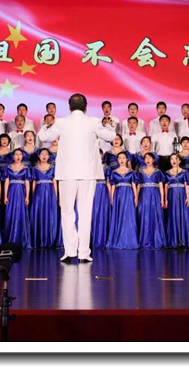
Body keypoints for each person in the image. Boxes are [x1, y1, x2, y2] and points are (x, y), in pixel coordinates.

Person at [38, 93, 116, 263]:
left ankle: (70, 251)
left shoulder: (61, 122)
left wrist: (45, 126)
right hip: (87, 173)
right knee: (85, 212)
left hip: (67, 173)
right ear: (85, 107)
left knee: (67, 212)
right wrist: (109, 127)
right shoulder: (93, 121)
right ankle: (84, 253)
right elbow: (110, 137)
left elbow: (43, 137)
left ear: (69, 107)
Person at [106, 152, 138, 249]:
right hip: (118, 196)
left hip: (128, 195)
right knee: (118, 215)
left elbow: (134, 185)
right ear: (117, 160)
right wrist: (111, 197)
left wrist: (136, 197)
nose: (122, 160)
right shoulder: (114, 172)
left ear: (127, 159)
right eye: (120, 158)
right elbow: (113, 186)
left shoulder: (131, 172)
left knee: (129, 216)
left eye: (124, 158)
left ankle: (130, 240)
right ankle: (118, 239)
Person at [29, 148, 60, 249]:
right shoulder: (35, 168)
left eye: (46, 154)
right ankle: (39, 239)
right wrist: (33, 195)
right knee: (39, 213)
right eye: (42, 154)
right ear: (39, 156)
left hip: (50, 192)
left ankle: (50, 239)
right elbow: (34, 182)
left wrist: (56, 196)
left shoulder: (53, 168)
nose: (44, 156)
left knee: (50, 214)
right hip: (38, 193)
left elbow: (54, 182)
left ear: (49, 156)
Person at [135, 152, 167, 249]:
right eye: (146, 158)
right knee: (144, 215)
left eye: (150, 158)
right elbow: (138, 185)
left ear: (153, 160)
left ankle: (157, 239)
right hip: (144, 195)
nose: (148, 160)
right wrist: (136, 198)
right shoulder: (140, 171)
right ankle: (145, 240)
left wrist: (162, 199)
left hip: (155, 195)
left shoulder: (158, 171)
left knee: (155, 215)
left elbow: (161, 185)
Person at [3, 149, 31, 248]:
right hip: (11, 192)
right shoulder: (8, 168)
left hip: (21, 192)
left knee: (21, 213)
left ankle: (21, 239)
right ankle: (10, 239)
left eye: (20, 154)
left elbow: (27, 182)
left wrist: (27, 196)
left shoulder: (26, 168)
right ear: (13, 156)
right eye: (16, 154)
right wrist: (5, 196)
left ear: (22, 156)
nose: (18, 156)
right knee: (10, 213)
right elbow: (6, 182)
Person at [164, 153, 189, 247]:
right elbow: (166, 186)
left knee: (183, 215)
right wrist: (165, 199)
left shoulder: (184, 172)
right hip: (171, 195)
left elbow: (187, 185)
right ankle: (173, 240)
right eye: (171, 159)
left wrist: (188, 197)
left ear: (179, 161)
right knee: (172, 215)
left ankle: (184, 240)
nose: (174, 161)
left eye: (176, 158)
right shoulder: (167, 172)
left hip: (182, 194)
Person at [91, 159, 111, 249]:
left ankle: (102, 238)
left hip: (103, 190)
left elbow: (108, 182)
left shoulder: (107, 168)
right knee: (93, 213)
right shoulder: (90, 166)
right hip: (93, 190)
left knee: (103, 212)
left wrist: (110, 195)